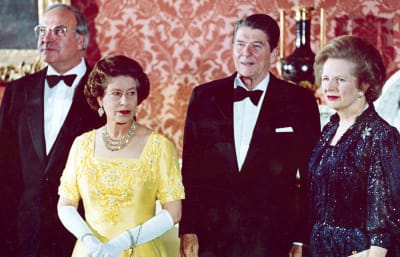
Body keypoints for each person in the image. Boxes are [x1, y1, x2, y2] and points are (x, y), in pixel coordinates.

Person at [179, 13, 321, 257]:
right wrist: (188, 229)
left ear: (274, 54)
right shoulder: (204, 97)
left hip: (273, 238)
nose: (247, 52)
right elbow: (190, 171)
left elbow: (311, 177)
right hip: (212, 236)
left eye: (257, 45)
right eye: (240, 44)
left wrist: (301, 238)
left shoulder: (300, 101)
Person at [0, 3, 105, 257]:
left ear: (81, 40)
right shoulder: (17, 92)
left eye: (58, 31)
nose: (46, 38)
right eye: (42, 31)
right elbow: (5, 166)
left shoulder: (106, 93)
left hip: (82, 234)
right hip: (24, 234)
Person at [57, 55, 185, 257]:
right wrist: (88, 240)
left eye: (131, 93)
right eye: (116, 94)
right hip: (91, 252)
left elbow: (173, 212)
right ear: (100, 98)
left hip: (140, 252)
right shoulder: (82, 145)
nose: (125, 101)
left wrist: (122, 243)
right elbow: (66, 204)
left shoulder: (159, 147)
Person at [308, 35, 400, 257]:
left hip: (359, 251)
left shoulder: (381, 136)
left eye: (340, 80)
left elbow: (384, 218)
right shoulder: (329, 128)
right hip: (320, 246)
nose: (328, 86)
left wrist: (374, 253)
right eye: (326, 78)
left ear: (364, 84)